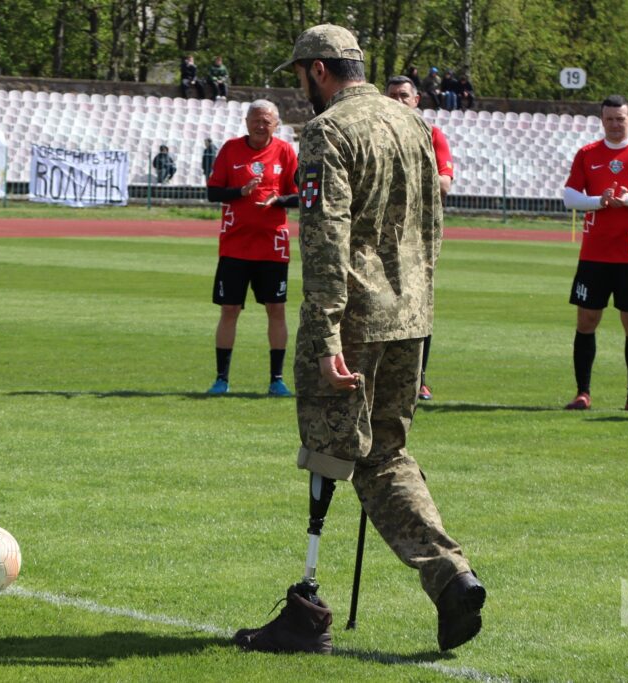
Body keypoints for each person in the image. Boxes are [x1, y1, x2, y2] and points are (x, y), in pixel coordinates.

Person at [233, 24, 485, 655]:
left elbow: (324, 243)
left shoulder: (327, 132)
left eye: (299, 77)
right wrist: (421, 312)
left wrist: (322, 336)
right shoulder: (414, 124)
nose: (299, 91)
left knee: (330, 450)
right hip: (410, 316)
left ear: (319, 71)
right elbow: (433, 225)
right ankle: (449, 574)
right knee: (385, 454)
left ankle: (307, 603)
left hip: (352, 319)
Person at [562, 95, 628, 416]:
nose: (614, 123)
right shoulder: (587, 154)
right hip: (594, 253)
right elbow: (569, 197)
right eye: (609, 119)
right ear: (602, 120)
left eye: (620, 118)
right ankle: (583, 393)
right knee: (586, 319)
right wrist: (600, 201)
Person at [204, 100, 299, 397]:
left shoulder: (285, 151)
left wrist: (278, 200)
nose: (261, 125)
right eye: (256, 119)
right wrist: (239, 192)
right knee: (229, 309)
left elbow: (298, 195)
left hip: (272, 245)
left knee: (276, 308)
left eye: (267, 120)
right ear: (246, 121)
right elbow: (213, 192)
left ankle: (277, 379)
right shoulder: (231, 149)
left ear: (276, 124)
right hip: (235, 244)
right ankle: (221, 378)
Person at [386, 75, 456, 401]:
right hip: (379, 234)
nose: (398, 101)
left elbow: (444, 186)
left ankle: (418, 379)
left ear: (416, 100)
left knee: (419, 307)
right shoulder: (375, 134)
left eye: (404, 95)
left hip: (418, 237)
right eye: (392, 96)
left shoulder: (432, 135)